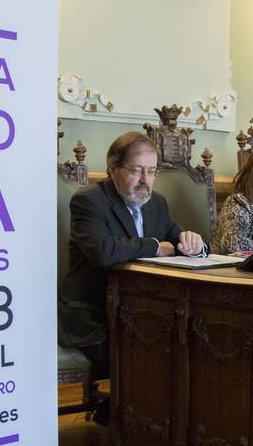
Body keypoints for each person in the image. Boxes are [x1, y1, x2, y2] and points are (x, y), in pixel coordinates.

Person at [58, 132, 205, 387]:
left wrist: (193, 243)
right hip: (94, 314)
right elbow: (103, 251)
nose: (145, 181)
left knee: (184, 340)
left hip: (143, 309)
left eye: (152, 171)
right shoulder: (89, 200)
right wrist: (156, 247)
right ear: (113, 168)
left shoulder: (156, 202)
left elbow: (177, 239)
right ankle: (125, 417)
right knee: (141, 349)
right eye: (137, 171)